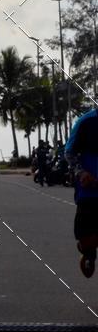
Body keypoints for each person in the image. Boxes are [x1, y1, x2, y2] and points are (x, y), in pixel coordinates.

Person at [65, 108, 98, 277]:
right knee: (85, 237)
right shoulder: (86, 122)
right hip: (89, 193)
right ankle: (88, 250)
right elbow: (69, 152)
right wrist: (81, 173)